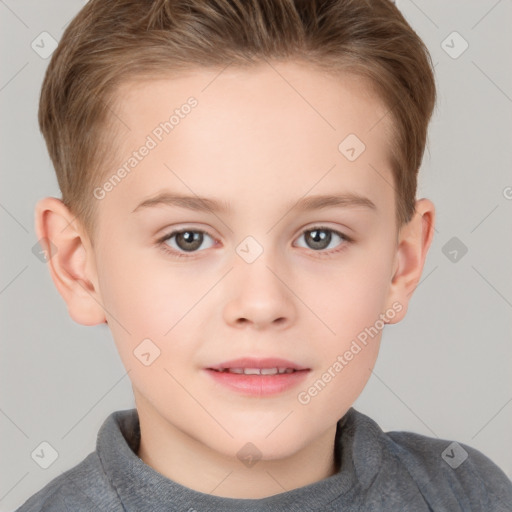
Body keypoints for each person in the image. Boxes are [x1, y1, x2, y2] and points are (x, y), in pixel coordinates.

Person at [17, 0, 512, 510]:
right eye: (188, 238)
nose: (260, 303)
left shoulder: (469, 494)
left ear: (401, 263)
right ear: (77, 265)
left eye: (321, 236)